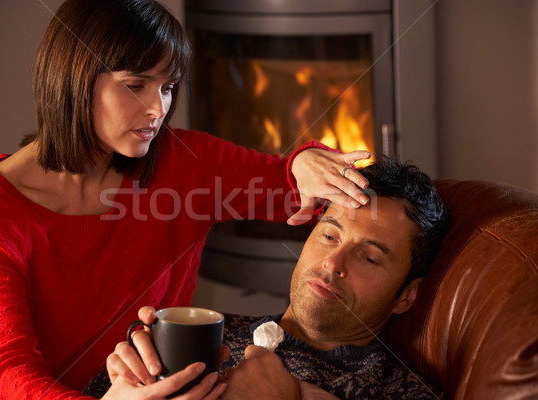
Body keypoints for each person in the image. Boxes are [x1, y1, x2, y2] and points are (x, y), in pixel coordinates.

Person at [0, 0, 372, 399]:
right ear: (74, 78)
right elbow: (6, 367)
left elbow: (288, 185)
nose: (158, 107)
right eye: (136, 85)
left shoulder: (183, 161)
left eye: (168, 87)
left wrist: (305, 162)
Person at [88, 157, 449, 399]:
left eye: (369, 257)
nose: (334, 262)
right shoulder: (208, 334)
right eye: (328, 236)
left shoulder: (398, 390)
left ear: (407, 295)